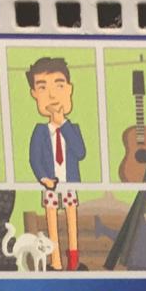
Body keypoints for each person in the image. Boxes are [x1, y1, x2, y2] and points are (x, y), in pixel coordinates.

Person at [26, 56, 86, 270]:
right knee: (52, 222)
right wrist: (43, 178)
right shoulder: (40, 132)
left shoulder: (73, 128)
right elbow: (34, 159)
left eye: (59, 86)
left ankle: (73, 261)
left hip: (69, 184)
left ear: (69, 89)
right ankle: (56, 261)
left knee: (71, 221)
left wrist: (64, 124)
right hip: (50, 185)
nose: (52, 95)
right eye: (42, 88)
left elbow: (80, 152)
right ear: (34, 94)